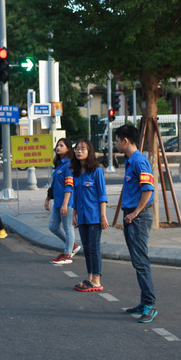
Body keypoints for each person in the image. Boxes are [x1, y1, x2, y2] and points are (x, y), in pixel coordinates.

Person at [115, 124, 157, 323]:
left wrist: (135, 212)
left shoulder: (140, 162)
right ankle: (143, 302)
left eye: (117, 140)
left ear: (125, 140)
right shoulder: (131, 162)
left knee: (141, 262)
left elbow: (148, 189)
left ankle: (150, 304)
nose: (116, 144)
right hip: (132, 216)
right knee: (137, 261)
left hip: (138, 217)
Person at [70, 139, 109, 291]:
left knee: (94, 248)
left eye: (83, 149)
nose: (79, 151)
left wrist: (103, 216)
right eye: (77, 149)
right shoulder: (76, 173)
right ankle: (90, 278)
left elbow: (102, 195)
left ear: (89, 152)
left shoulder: (97, 171)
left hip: (94, 216)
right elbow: (76, 196)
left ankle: (97, 280)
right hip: (82, 216)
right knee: (86, 248)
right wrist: (74, 214)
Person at [45, 138, 80, 264]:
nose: (58, 148)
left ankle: (67, 254)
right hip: (58, 202)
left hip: (67, 202)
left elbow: (69, 186)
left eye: (61, 145)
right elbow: (54, 185)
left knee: (67, 227)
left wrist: (65, 204)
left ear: (68, 149)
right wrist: (48, 198)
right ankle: (73, 246)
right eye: (57, 146)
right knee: (53, 227)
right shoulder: (59, 164)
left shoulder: (69, 165)